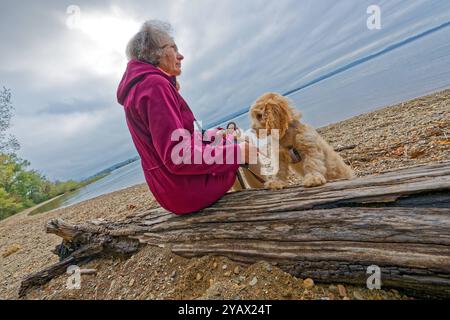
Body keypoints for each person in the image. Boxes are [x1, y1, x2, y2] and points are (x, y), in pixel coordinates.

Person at [117, 20, 259, 215]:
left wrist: (216, 134)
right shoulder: (154, 86)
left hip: (171, 191)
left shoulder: (139, 88)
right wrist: (238, 153)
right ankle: (266, 208)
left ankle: (247, 206)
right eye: (173, 48)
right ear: (155, 53)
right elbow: (179, 155)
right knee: (246, 144)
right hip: (187, 191)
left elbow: (181, 138)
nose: (180, 55)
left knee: (229, 140)